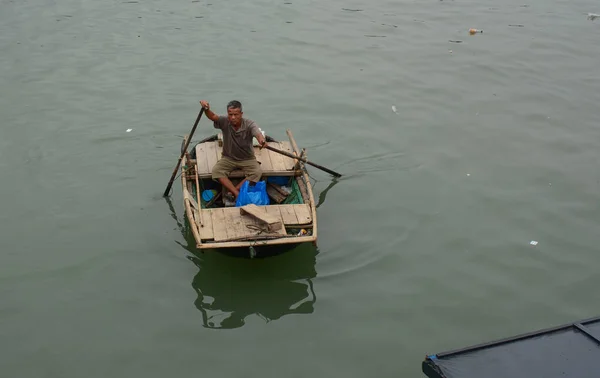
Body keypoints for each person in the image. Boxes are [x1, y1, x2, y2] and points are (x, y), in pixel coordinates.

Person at [199, 100, 267, 200]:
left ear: (241, 114)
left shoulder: (249, 124)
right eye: (230, 114)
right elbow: (212, 116)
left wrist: (262, 141)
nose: (233, 117)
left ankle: (234, 190)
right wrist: (206, 109)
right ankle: (236, 193)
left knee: (257, 172)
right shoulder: (224, 121)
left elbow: (257, 133)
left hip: (247, 158)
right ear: (228, 114)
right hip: (228, 158)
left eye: (236, 114)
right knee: (216, 171)